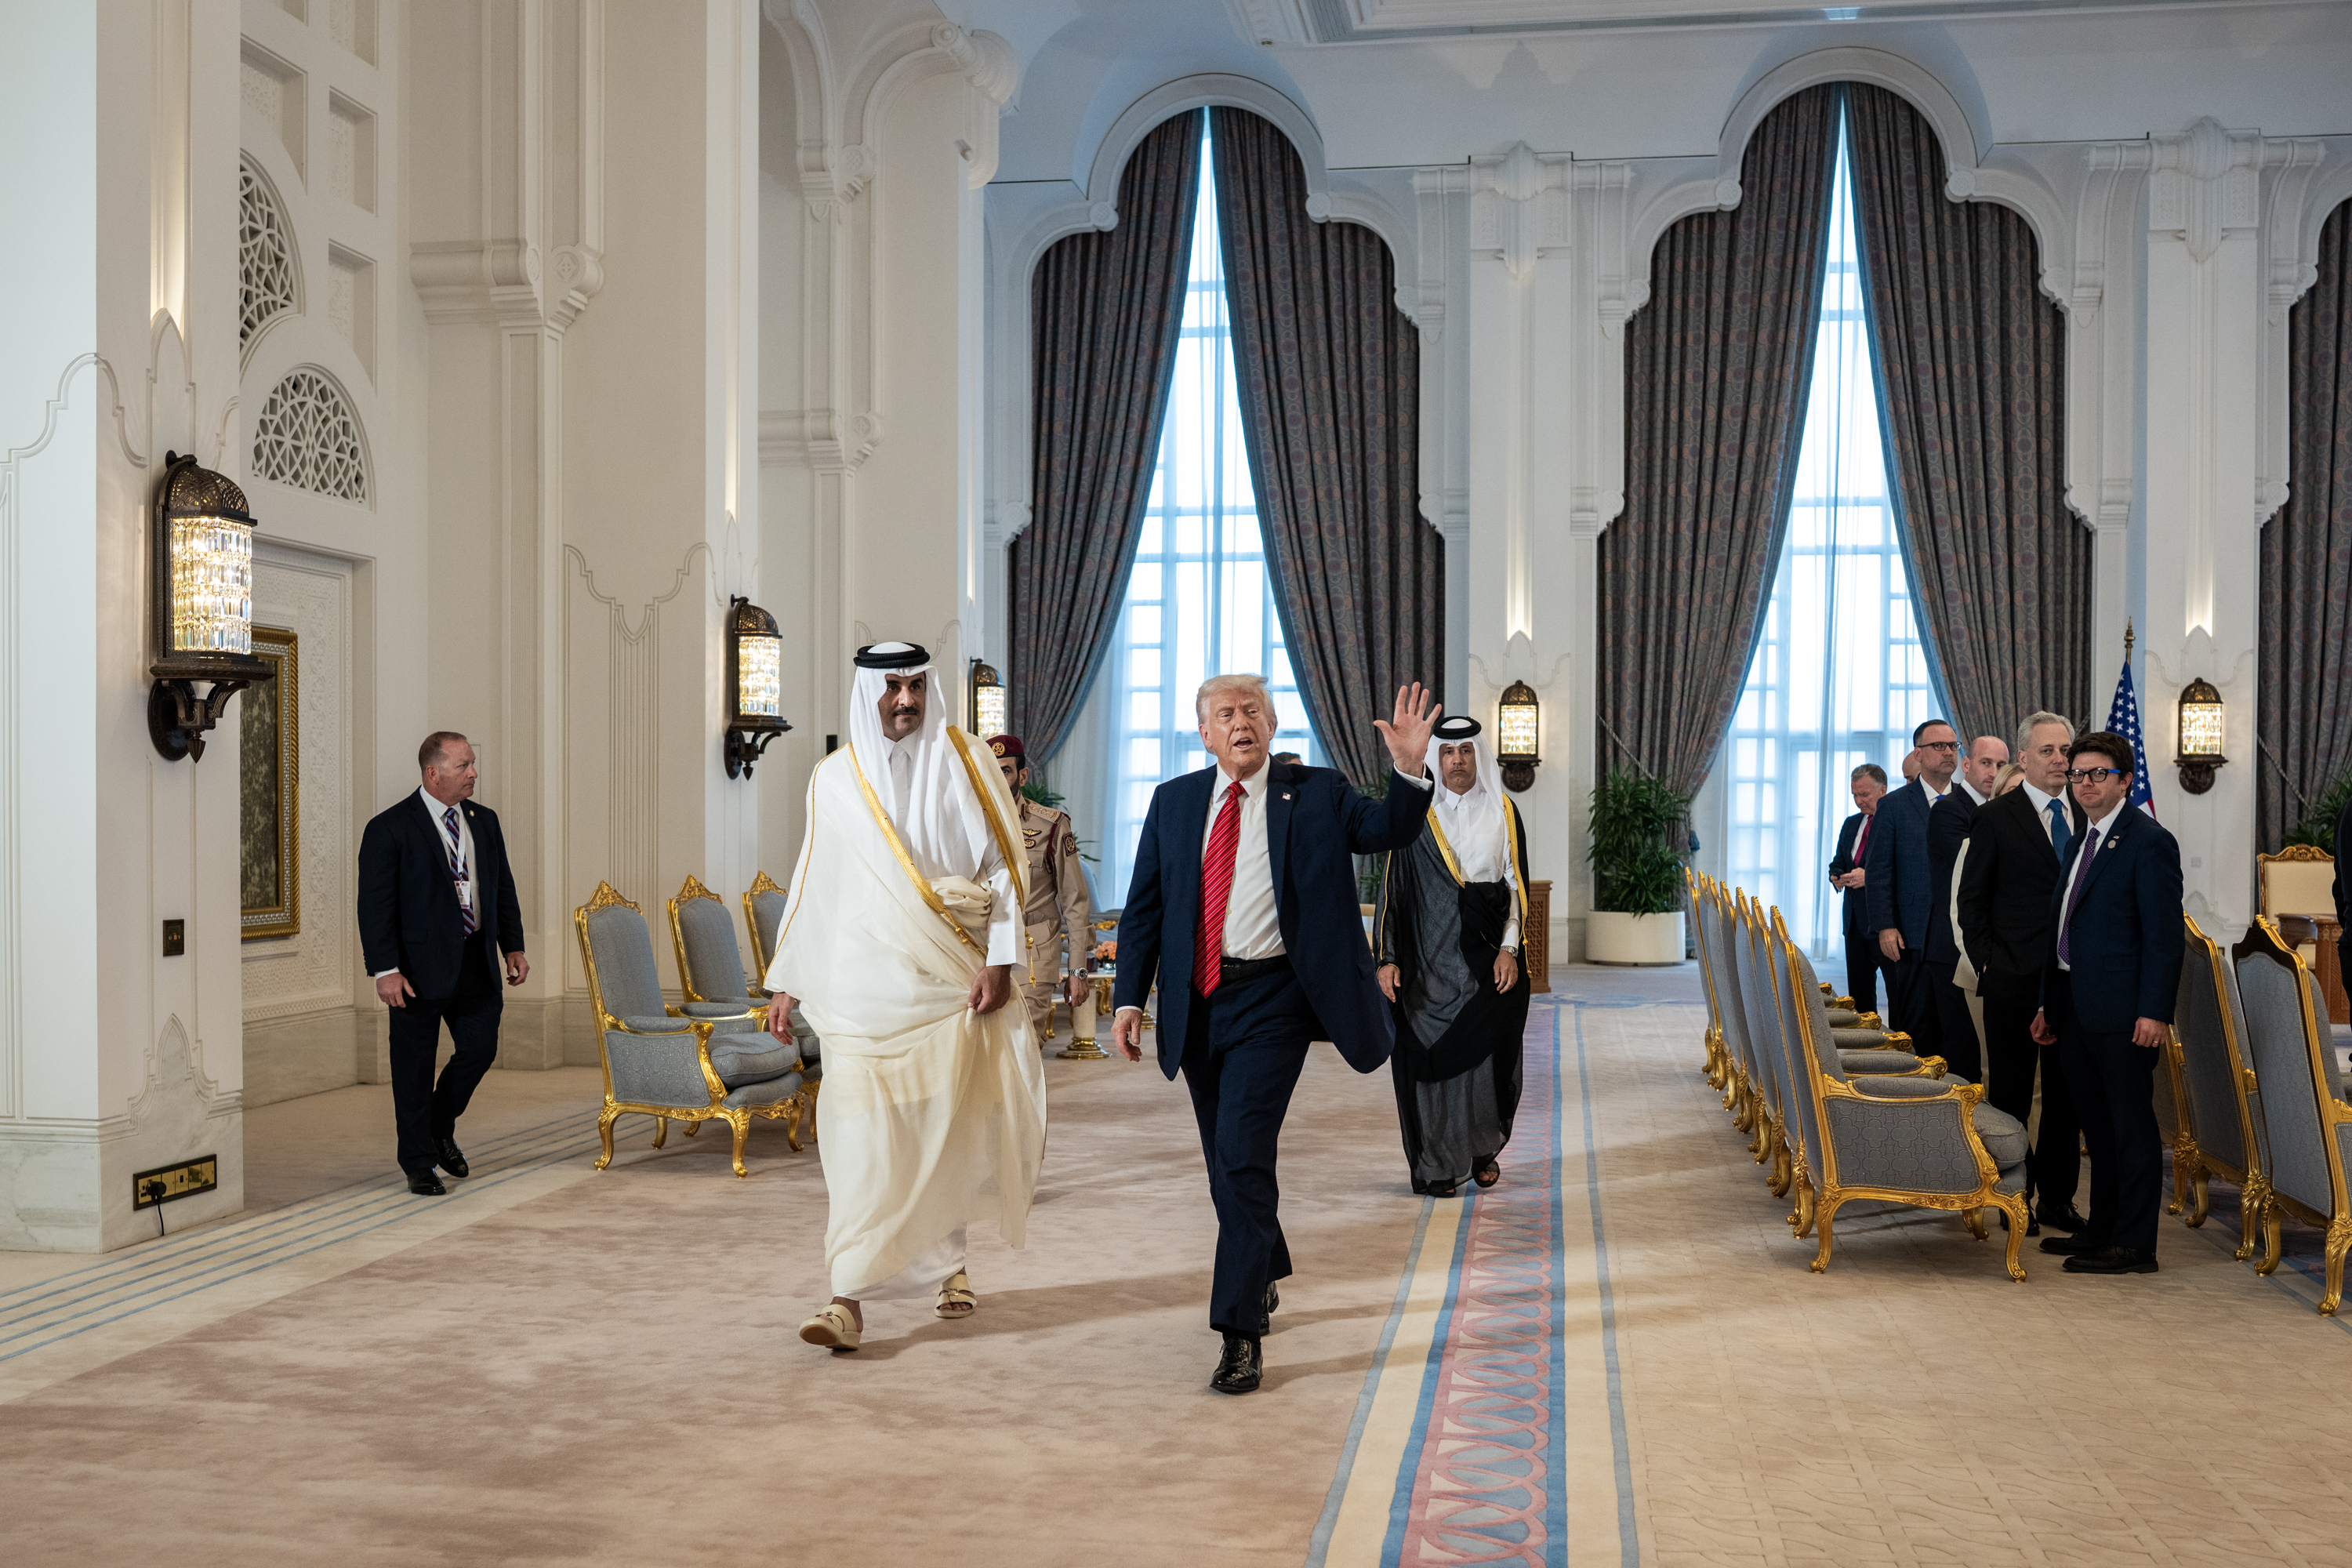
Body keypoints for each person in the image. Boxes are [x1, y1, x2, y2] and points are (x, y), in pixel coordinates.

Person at [1111, 677, 1439, 1396]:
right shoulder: (1173, 803)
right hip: (1198, 1002)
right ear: (1205, 733)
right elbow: (1145, 908)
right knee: (1223, 1163)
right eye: (1226, 714)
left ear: (1272, 722)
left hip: (1276, 1001)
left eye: (1252, 711)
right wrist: (1129, 997)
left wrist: (1410, 771)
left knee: (1241, 1153)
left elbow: (1388, 830)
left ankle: (1239, 1332)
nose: (1241, 723)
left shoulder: (1317, 792)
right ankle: (1260, 1263)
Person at [762, 644, 1046, 1352]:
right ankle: (845, 1299)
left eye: (916, 685)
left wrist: (1001, 964)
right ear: (869, 692)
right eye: (891, 687)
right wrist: (787, 977)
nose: (905, 700)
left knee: (938, 1130)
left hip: (947, 983)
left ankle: (949, 1265)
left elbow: (1004, 872)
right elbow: (815, 878)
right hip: (858, 988)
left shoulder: (970, 762)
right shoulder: (834, 777)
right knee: (857, 1137)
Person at [2032, 731, 2184, 1276]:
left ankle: (2135, 1244)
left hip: (2125, 1014)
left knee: (2130, 1128)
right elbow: (2063, 927)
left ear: (2125, 781)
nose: (2086, 784)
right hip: (2074, 1006)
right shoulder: (2082, 838)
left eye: (2099, 774)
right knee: (2095, 1128)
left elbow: (2164, 938)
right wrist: (2048, 1003)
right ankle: (2102, 1229)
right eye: (2078, 774)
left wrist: (2155, 1011)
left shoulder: (2149, 841)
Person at [356, 733, 529, 1196]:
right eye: (463, 765)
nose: (474, 773)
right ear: (433, 773)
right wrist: (385, 970)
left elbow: (502, 887)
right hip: (415, 970)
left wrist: (513, 945)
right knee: (413, 1069)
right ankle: (418, 1163)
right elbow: (374, 906)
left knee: (480, 1049)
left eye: (473, 764)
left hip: (476, 960)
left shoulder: (484, 821)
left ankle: (437, 1126)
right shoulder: (389, 828)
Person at [1374, 716, 1531, 1198]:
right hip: (1427, 961)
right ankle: (1437, 1162)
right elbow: (1394, 891)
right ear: (1435, 758)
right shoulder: (1416, 813)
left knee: (1487, 1057)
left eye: (1465, 751)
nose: (1457, 760)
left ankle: (1481, 1150)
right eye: (1447, 752)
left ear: (1478, 756)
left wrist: (1509, 949)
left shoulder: (1503, 809)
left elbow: (1516, 888)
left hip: (1487, 958)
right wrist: (1387, 957)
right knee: (1428, 1059)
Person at [1956, 711, 2088, 1234]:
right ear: (2024, 757)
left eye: (2066, 751)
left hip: (2074, 983)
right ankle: (2016, 1199)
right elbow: (1971, 905)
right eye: (2048, 751)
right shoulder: (1996, 818)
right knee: (2011, 1096)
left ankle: (2058, 1199)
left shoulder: (2088, 814)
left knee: (2065, 1096)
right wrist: (1991, 964)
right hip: (2013, 981)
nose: (2059, 760)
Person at [986, 733, 1094, 1037]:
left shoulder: (1050, 824)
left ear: (1022, 776)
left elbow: (1075, 901)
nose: (996, 779)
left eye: (1005, 771)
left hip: (1032, 953)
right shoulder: (967, 822)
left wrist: (1078, 971)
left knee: (1026, 1046)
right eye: (990, 771)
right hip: (981, 951)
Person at [1865, 719, 1959, 1059]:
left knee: (1956, 1029)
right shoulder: (1894, 805)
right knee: (1915, 1028)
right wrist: (1885, 926)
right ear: (1918, 753)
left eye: (1953, 746)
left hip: (1958, 937)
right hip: (1912, 934)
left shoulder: (1970, 803)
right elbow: (1878, 871)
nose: (1948, 752)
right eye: (1939, 746)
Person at [1924, 734, 2009, 1082]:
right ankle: (1959, 1116)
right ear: (1967, 765)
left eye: (2001, 765)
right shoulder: (1948, 809)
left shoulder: (2002, 811)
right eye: (1986, 763)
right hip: (1952, 948)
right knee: (1963, 1048)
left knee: (1990, 1049)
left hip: (1988, 947)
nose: (1994, 772)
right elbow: (1980, 870)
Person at [1828, 764, 1889, 1016]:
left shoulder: (1893, 822)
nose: (1858, 801)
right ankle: (1865, 1036)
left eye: (1864, 795)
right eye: (1854, 795)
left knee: (1897, 991)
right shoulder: (1851, 823)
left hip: (1883, 923)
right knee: (1859, 995)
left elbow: (1900, 868)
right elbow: (1839, 861)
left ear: (1883, 790)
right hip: (1854, 922)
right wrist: (1835, 875)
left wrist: (1869, 877)